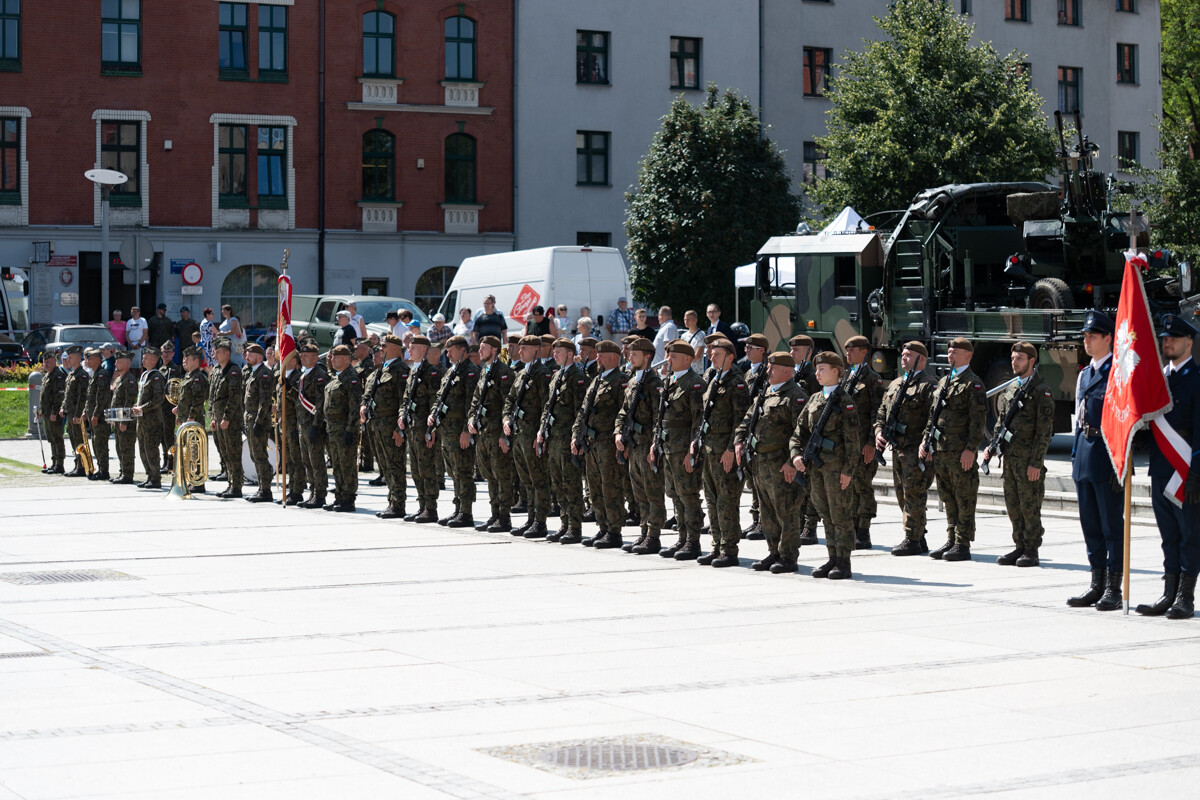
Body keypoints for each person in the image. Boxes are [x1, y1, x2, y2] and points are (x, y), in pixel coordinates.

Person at [1139, 314, 1200, 619]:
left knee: (1189, 534)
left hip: (1186, 468)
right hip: (1161, 466)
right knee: (1168, 534)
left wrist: (1197, 473)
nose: (1168, 343)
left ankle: (1185, 597)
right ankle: (1169, 593)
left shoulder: (1197, 379)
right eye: (1165, 339)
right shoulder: (1158, 378)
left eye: (1174, 338)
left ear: (1189, 342)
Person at [1068, 311, 1124, 609]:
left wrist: (1121, 466)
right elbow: (1079, 417)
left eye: (1092, 336)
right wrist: (1075, 456)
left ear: (1108, 339)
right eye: (1085, 336)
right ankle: (1096, 583)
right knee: (1089, 524)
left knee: (1111, 525)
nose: (1086, 340)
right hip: (1084, 455)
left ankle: (1113, 587)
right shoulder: (1085, 374)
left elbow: (1125, 422)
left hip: (1106, 456)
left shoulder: (1118, 373)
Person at [734, 351, 808, 572]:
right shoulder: (765, 393)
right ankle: (774, 551)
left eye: (772, 368)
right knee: (767, 512)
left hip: (780, 464)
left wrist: (791, 462)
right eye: (768, 367)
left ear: (787, 370)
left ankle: (788, 557)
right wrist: (739, 441)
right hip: (760, 463)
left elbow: (802, 432)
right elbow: (747, 420)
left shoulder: (796, 396)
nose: (768, 371)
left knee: (786, 512)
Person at [983, 342, 1055, 568]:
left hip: (1028, 461)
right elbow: (1002, 421)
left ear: (1032, 361)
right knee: (1013, 505)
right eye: (1013, 358)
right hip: (1010, 459)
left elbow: (1044, 432)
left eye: (1020, 358)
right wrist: (991, 446)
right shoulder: (1012, 387)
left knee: (1029, 505)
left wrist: (1036, 463)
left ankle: (1031, 550)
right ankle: (1019, 545)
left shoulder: (1040, 391)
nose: (1014, 362)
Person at [792, 351, 862, 578]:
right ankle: (832, 557)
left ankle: (843, 561)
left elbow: (852, 441)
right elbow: (799, 432)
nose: (817, 373)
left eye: (822, 369)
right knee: (825, 514)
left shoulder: (844, 401)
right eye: (817, 369)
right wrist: (796, 454)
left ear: (836, 371)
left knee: (840, 514)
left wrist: (848, 470)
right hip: (816, 469)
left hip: (836, 469)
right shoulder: (814, 399)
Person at [920, 337, 988, 561]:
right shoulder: (944, 381)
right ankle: (951, 538)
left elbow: (978, 421)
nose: (951, 355)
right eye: (949, 352)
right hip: (941, 451)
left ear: (968, 355)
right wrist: (926, 441)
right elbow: (933, 416)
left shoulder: (973, 384)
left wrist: (971, 449)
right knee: (948, 497)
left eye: (955, 352)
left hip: (960, 453)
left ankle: (963, 543)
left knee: (964, 498)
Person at [875, 342, 937, 556]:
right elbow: (882, 411)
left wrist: (927, 444)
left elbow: (934, 418)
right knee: (902, 494)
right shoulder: (896, 384)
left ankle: (912, 538)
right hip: (897, 448)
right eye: (903, 354)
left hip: (915, 449)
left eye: (909, 355)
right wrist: (879, 431)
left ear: (922, 359)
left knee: (914, 494)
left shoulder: (929, 385)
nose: (904, 358)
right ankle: (918, 536)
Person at [693, 335, 750, 566]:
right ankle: (717, 545)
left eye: (717, 354)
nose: (711, 356)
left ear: (730, 357)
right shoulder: (714, 379)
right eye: (711, 353)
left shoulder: (737, 383)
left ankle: (729, 549)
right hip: (709, 450)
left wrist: (730, 449)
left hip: (724, 452)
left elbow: (741, 420)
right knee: (712, 500)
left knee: (726, 501)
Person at [572, 340, 629, 546]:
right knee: (595, 487)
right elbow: (583, 410)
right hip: (591, 441)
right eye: (597, 355)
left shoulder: (621, 380)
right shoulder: (597, 380)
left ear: (614, 357)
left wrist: (621, 439)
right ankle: (603, 526)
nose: (598, 358)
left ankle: (614, 531)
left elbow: (625, 411)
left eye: (602, 355)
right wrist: (576, 435)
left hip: (608, 443)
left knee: (610, 487)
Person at [653, 341, 705, 560]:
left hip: (683, 449)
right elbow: (661, 417)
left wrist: (692, 451)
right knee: (674, 494)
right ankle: (682, 538)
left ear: (688, 359)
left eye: (674, 357)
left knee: (688, 495)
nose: (669, 360)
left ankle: (693, 541)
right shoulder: (670, 381)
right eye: (669, 356)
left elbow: (698, 420)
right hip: (668, 447)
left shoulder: (695, 384)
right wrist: (655, 443)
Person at [614, 337, 664, 552]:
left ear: (647, 357)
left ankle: (653, 536)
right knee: (639, 492)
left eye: (635, 354)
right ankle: (644, 531)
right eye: (630, 354)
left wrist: (655, 445)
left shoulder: (654, 383)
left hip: (646, 444)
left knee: (652, 492)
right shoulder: (633, 381)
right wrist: (618, 432)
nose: (630, 357)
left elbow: (658, 418)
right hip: (633, 444)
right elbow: (623, 411)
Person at [536, 338, 588, 541]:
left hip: (567, 439)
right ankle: (565, 523)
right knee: (558, 483)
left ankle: (574, 527)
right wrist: (542, 429)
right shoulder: (557, 376)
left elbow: (580, 411)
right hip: (554, 438)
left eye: (559, 352)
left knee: (571, 484)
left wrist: (577, 437)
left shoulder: (578, 377)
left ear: (570, 354)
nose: (555, 355)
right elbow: (547, 407)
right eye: (554, 351)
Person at [428, 335, 479, 527]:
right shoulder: (451, 371)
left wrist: (466, 430)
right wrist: (433, 416)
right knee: (453, 471)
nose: (447, 355)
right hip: (447, 431)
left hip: (459, 432)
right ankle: (458, 508)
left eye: (451, 351)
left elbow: (471, 404)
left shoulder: (470, 372)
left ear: (462, 350)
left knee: (463, 471)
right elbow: (440, 397)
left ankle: (466, 512)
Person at [468, 335, 517, 532]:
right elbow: (476, 400)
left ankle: (504, 517)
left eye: (484, 348)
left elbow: (508, 404)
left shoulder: (504, 372)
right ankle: (495, 514)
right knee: (489, 475)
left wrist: (505, 435)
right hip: (483, 431)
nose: (480, 351)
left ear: (495, 350)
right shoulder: (484, 371)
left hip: (497, 433)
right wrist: (471, 419)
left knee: (502, 475)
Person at [504, 335, 552, 536]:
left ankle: (540, 522)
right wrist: (506, 419)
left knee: (538, 480)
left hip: (532, 436)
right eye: (520, 348)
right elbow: (510, 400)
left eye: (525, 348)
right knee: (526, 481)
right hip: (518, 434)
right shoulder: (522, 373)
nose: (520, 351)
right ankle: (531, 519)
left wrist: (541, 433)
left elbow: (546, 406)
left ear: (536, 350)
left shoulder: (542, 374)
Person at [843, 335, 886, 549]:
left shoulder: (872, 379)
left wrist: (871, 442)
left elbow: (877, 412)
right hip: (848, 445)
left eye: (852, 350)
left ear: (864, 352)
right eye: (847, 350)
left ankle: (864, 530)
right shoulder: (847, 376)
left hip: (863, 444)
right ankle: (852, 527)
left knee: (863, 486)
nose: (848, 354)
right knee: (850, 486)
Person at [361, 334, 411, 519]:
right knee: (384, 466)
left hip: (391, 427)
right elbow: (368, 394)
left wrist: (400, 430)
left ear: (396, 348)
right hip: (377, 425)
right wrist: (363, 406)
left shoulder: (401, 371)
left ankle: (398, 504)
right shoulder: (380, 370)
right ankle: (392, 501)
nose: (380, 349)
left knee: (395, 465)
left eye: (384, 346)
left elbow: (404, 402)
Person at [399, 335, 443, 523]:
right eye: (409, 347)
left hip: (423, 428)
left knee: (426, 469)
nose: (409, 350)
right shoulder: (413, 370)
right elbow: (406, 399)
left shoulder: (431, 372)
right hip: (412, 427)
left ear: (424, 349)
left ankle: (431, 508)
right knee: (416, 469)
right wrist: (402, 414)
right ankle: (422, 505)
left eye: (413, 347)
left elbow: (435, 402)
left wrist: (430, 429)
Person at [323, 344, 363, 512]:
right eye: (331, 356)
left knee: (347, 465)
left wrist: (350, 429)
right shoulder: (336, 378)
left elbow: (354, 407)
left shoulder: (351, 378)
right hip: (333, 429)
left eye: (335, 357)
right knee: (337, 465)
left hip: (344, 429)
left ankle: (348, 498)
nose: (331, 359)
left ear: (346, 359)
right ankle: (339, 496)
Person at [208, 339, 245, 498]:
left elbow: (234, 397)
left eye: (218, 352)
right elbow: (212, 397)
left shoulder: (233, 371)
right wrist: (213, 417)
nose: (214, 355)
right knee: (225, 453)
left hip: (231, 421)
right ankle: (230, 483)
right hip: (219, 419)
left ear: (227, 353)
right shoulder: (217, 371)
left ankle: (236, 486)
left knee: (233, 453)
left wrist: (227, 418)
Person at [296, 343, 330, 509]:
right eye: (302, 356)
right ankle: (312, 492)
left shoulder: (320, 376)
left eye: (307, 356)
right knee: (307, 461)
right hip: (303, 425)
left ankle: (320, 494)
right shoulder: (303, 376)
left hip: (313, 425)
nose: (303, 358)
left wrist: (316, 426)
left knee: (316, 461)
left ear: (316, 358)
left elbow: (321, 404)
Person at [242, 343, 275, 503]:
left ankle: (266, 490)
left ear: (259, 357)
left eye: (250, 354)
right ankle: (262, 487)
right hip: (250, 419)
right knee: (254, 455)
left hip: (258, 420)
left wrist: (259, 422)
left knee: (260, 455)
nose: (247, 356)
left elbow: (265, 401)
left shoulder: (264, 374)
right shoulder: (252, 373)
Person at [174, 346, 210, 494]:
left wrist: (191, 416)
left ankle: (198, 481)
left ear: (196, 361)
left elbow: (198, 400)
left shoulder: (198, 378)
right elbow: (185, 399)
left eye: (187, 359)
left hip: (193, 420)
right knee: (188, 450)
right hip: (186, 420)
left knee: (196, 450)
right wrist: (179, 411)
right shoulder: (188, 377)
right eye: (183, 358)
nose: (184, 361)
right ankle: (191, 478)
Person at [133, 347, 166, 489]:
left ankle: (155, 478)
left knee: (151, 448)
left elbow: (158, 398)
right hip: (142, 419)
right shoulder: (145, 375)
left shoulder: (156, 376)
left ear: (154, 359)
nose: (143, 360)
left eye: (146, 358)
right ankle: (149, 475)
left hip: (152, 420)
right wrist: (137, 405)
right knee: (143, 449)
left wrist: (143, 408)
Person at [82, 348, 112, 481]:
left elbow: (101, 397)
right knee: (95, 442)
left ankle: (104, 471)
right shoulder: (95, 374)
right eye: (87, 358)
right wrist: (85, 411)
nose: (87, 361)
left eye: (90, 359)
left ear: (98, 360)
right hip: (93, 415)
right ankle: (100, 469)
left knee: (100, 444)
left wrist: (95, 414)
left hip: (99, 417)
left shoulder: (101, 374)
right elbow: (90, 397)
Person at [109, 350, 138, 485]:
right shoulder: (120, 379)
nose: (115, 364)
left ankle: (127, 474)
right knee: (120, 446)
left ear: (127, 364)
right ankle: (122, 472)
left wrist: (124, 421)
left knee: (126, 447)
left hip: (125, 421)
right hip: (118, 419)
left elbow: (129, 402)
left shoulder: (130, 380)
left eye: (118, 362)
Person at [59, 345, 89, 477]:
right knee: (73, 440)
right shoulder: (71, 374)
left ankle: (83, 466)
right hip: (70, 413)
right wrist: (63, 408)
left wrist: (78, 415)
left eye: (70, 358)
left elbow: (82, 397)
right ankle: (78, 465)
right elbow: (67, 395)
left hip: (76, 414)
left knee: (79, 440)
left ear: (77, 358)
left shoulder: (82, 375)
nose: (68, 360)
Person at [38, 351, 67, 474]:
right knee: (51, 438)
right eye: (44, 362)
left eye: (48, 362)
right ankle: (54, 462)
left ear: (54, 361)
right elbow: (44, 396)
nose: (46, 364)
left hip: (54, 414)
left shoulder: (58, 375)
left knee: (57, 438)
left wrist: (54, 412)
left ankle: (59, 464)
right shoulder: (47, 376)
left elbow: (59, 396)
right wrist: (41, 411)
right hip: (47, 413)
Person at [158, 340, 182, 470]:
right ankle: (166, 459)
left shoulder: (174, 368)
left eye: (169, 352)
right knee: (162, 435)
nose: (166, 355)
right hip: (160, 406)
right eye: (164, 352)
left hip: (169, 407)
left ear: (173, 354)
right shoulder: (160, 368)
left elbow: (172, 388)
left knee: (168, 435)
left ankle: (171, 461)